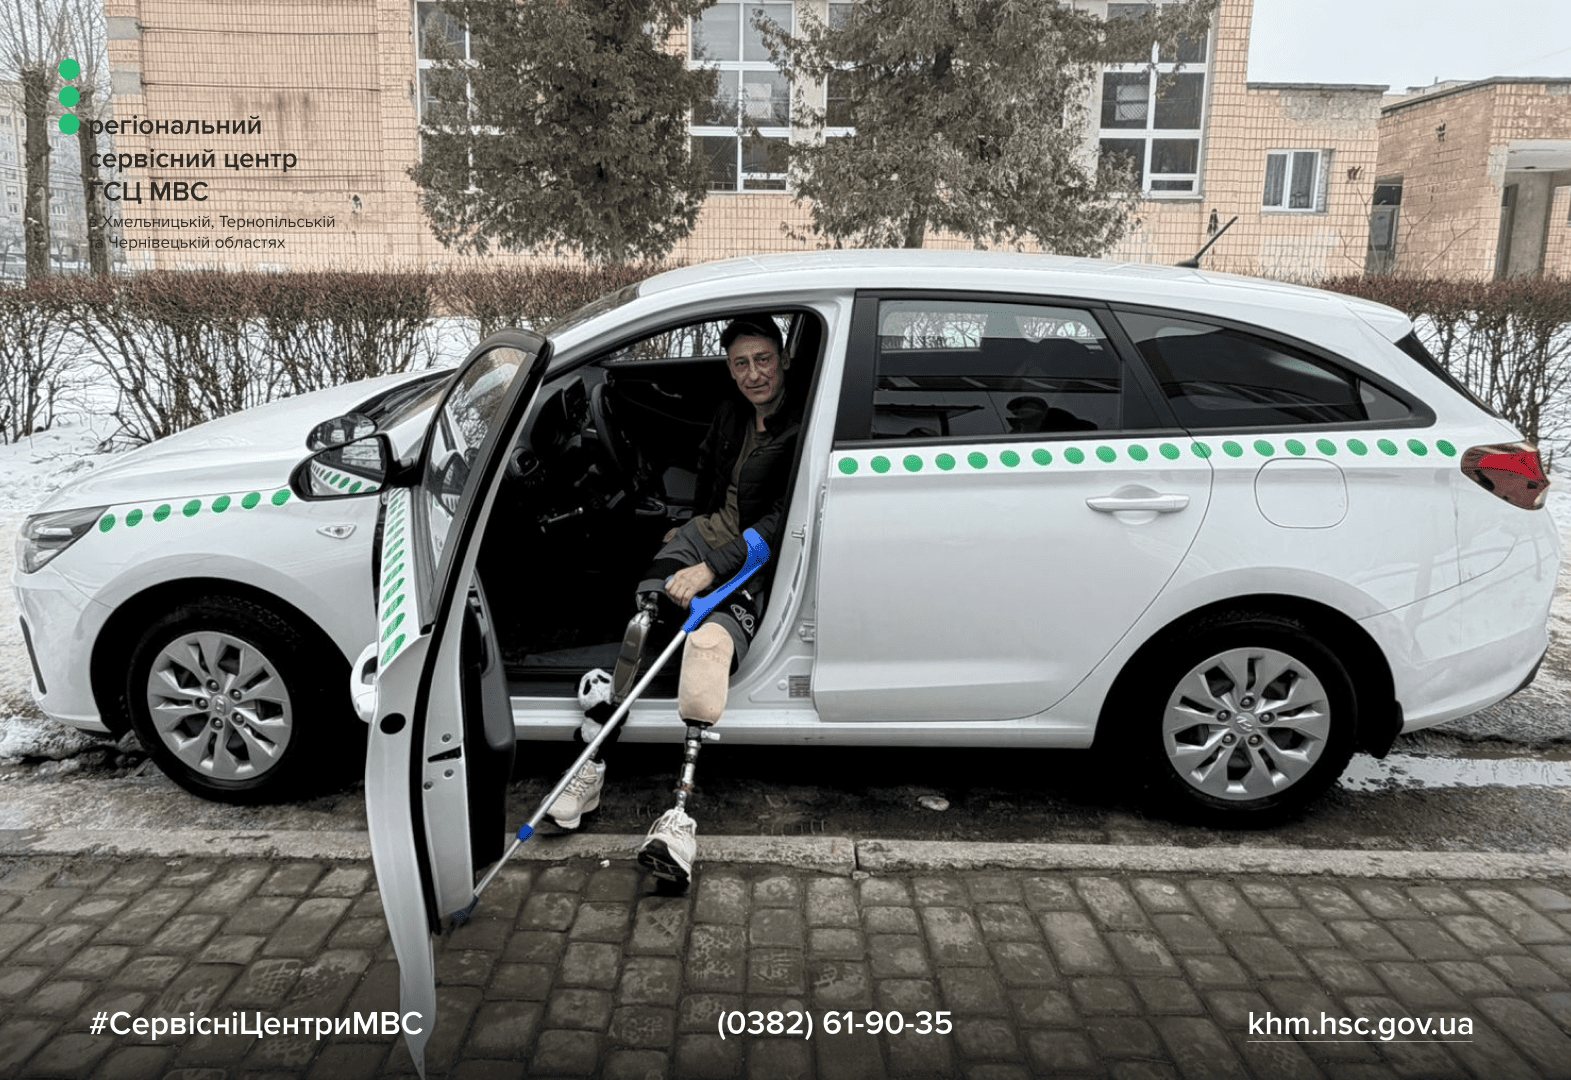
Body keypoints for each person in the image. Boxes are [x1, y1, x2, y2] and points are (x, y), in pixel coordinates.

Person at [548, 315, 804, 887]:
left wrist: (713, 567)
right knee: (643, 620)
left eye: (763, 359)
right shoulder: (732, 411)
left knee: (707, 647)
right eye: (740, 363)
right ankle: (590, 767)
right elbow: (711, 478)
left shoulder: (800, 425)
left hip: (756, 556)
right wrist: (688, 530)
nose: (753, 374)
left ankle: (678, 820)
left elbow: (782, 520)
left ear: (784, 359)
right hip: (706, 535)